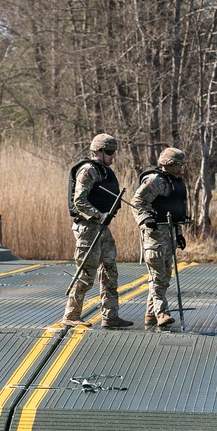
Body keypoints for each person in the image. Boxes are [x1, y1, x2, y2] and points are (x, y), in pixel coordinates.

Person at [62, 133, 133, 329]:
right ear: (98, 151)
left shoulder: (104, 171)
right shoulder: (88, 170)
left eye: (113, 152)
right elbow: (79, 201)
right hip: (88, 228)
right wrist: (98, 215)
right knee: (86, 273)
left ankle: (110, 317)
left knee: (110, 272)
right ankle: (71, 315)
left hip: (102, 229)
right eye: (109, 152)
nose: (112, 156)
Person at [131, 147, 188, 329]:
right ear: (167, 164)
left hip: (169, 235)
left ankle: (150, 314)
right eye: (177, 165)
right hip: (155, 236)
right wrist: (145, 219)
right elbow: (137, 202)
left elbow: (174, 210)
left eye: (181, 165)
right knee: (157, 277)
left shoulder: (174, 182)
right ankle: (162, 313)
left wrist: (178, 234)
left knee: (164, 278)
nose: (180, 169)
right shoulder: (155, 181)